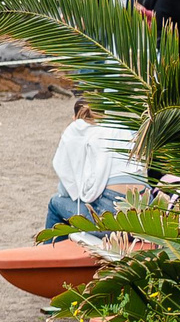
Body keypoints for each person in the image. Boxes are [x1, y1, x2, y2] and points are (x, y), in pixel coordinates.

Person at [46, 97, 139, 232]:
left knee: (55, 203)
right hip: (146, 215)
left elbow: (66, 191)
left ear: (75, 118)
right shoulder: (118, 128)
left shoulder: (77, 132)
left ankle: (52, 252)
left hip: (114, 219)